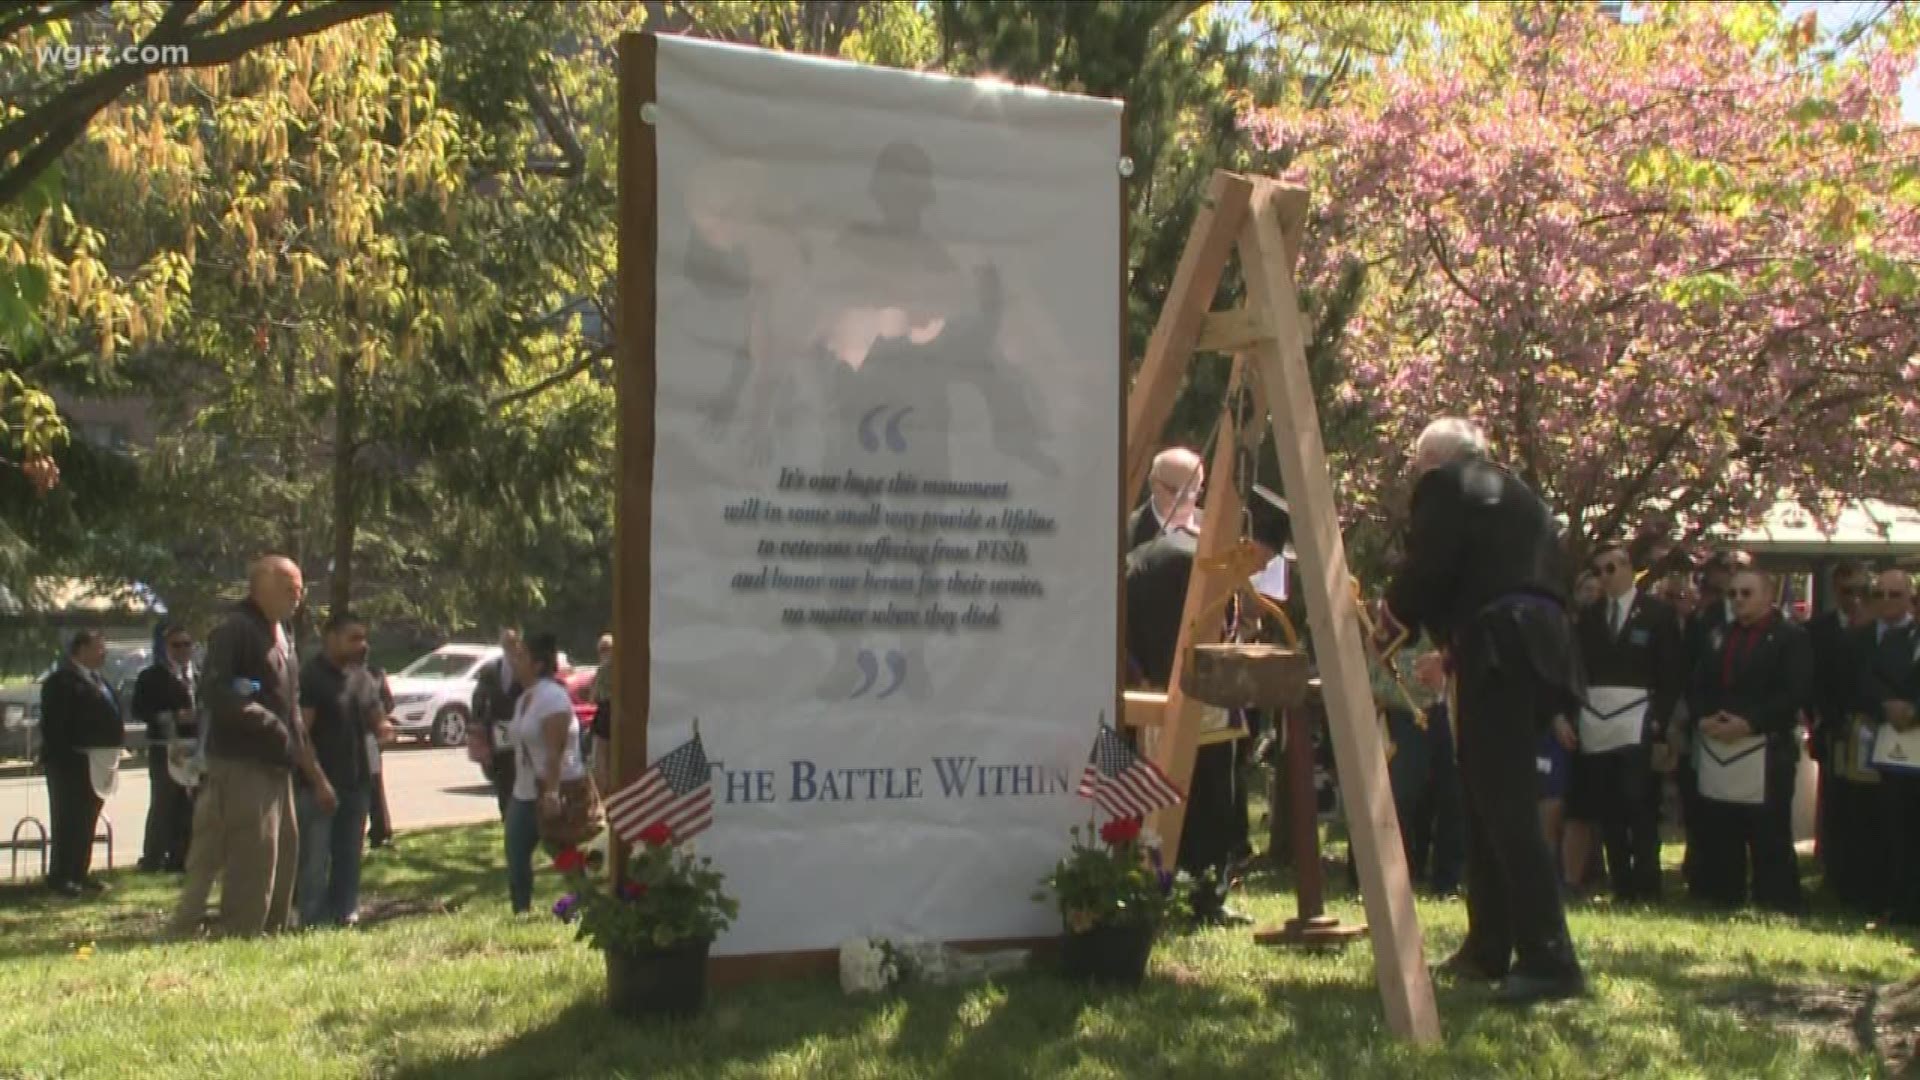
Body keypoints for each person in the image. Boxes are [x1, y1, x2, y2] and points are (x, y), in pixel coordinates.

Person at [1381, 417, 1586, 1005]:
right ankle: (1488, 944)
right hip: (1533, 645)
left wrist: (1384, 626)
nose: (1416, 478)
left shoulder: (1448, 485)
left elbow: (1429, 568)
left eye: (1419, 465)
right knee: (1484, 797)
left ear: (1437, 461)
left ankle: (1550, 956)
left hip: (1499, 645)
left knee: (1504, 802)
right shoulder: (1521, 498)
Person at [169, 555, 310, 939]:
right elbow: (216, 691)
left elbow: (290, 701)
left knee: (285, 849)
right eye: (288, 588)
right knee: (254, 850)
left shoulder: (282, 632)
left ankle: (272, 927)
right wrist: (268, 723)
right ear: (260, 587)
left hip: (277, 763)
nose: (297, 596)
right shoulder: (236, 629)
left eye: (300, 588)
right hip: (241, 761)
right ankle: (241, 932)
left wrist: (300, 752)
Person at [1686, 569, 1812, 914]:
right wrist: (1705, 716)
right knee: (1721, 825)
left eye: (1746, 593)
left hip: (1767, 745)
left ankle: (1775, 900)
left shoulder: (1790, 637)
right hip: (1720, 743)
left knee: (1769, 829)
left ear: (1768, 595)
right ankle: (1724, 895)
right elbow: (1698, 683)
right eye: (1733, 594)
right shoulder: (1719, 635)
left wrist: (1750, 722)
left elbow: (1794, 691)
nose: (1738, 599)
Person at [1566, 542, 1685, 904]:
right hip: (1598, 723)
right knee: (1609, 807)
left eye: (1610, 569)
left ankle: (1647, 885)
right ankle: (1621, 884)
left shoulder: (1657, 613)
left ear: (1628, 568)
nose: (1604, 577)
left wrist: (1658, 721)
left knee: (1639, 803)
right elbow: (1578, 669)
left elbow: (1671, 673)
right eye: (1598, 571)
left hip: (1638, 720)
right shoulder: (1589, 616)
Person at [294, 613, 383, 929]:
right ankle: (313, 919)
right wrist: (318, 782)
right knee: (315, 859)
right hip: (319, 784)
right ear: (330, 637)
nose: (362, 644)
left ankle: (345, 911)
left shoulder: (362, 676)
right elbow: (301, 735)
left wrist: (385, 727)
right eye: (353, 638)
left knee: (349, 854)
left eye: (363, 637)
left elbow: (376, 716)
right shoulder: (312, 676)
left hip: (356, 782)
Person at [503, 632, 585, 914]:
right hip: (524, 791)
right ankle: (521, 912)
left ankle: (583, 906)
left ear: (537, 664)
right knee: (516, 854)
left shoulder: (552, 697)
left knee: (565, 854)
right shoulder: (526, 697)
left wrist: (552, 792)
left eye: (521, 655)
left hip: (555, 789)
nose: (514, 661)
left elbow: (556, 749)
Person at [39, 630, 124, 897]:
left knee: (88, 819)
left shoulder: (99, 680)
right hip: (70, 763)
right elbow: (56, 725)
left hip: (98, 762)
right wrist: (73, 752)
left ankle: (80, 873)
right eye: (99, 648)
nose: (104, 653)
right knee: (68, 819)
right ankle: (61, 876)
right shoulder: (61, 681)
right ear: (82, 649)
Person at [1807, 561, 1871, 907]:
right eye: (1850, 592)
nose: (1858, 599)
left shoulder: (1878, 628)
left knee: (1868, 808)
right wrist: (1827, 721)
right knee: (1833, 803)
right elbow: (1812, 682)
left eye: (1865, 591)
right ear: (1836, 592)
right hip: (1833, 728)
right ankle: (1833, 874)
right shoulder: (1818, 630)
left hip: (1871, 728)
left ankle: (1865, 877)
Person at [1857, 570, 1918, 923]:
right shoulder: (1897, 639)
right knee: (1897, 826)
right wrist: (1889, 705)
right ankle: (1899, 904)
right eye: (1881, 595)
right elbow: (1872, 677)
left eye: (1897, 595)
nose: (1888, 603)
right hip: (1897, 749)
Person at [134, 621, 199, 873]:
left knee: (189, 803)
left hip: (194, 746)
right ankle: (153, 858)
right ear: (166, 647)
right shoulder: (151, 677)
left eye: (187, 644)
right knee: (163, 802)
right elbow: (140, 709)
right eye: (176, 645)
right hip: (166, 746)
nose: (183, 650)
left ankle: (181, 857)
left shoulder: (198, 674)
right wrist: (172, 716)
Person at [469, 629, 524, 819]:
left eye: (513, 642)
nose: (509, 646)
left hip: (521, 728)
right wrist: (476, 722)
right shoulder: (491, 669)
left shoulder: (525, 668)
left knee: (520, 774)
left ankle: (520, 814)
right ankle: (506, 814)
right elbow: (479, 697)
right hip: (498, 729)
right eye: (506, 643)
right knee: (502, 775)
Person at [1129, 447, 1204, 549]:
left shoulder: (1215, 527)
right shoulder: (1127, 534)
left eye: (1195, 492)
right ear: (1154, 484)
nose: (1187, 500)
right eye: (1177, 492)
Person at [366, 664, 395, 850]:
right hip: (365, 737)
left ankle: (380, 831)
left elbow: (389, 703)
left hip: (370, 737)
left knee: (374, 785)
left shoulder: (375, 673)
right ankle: (380, 831)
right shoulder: (375, 673)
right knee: (374, 786)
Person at [590, 633, 615, 792]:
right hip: (616, 714)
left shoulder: (603, 669)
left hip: (605, 713)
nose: (602, 653)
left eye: (604, 649)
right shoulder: (621, 667)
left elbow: (594, 696)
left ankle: (603, 792)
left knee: (601, 758)